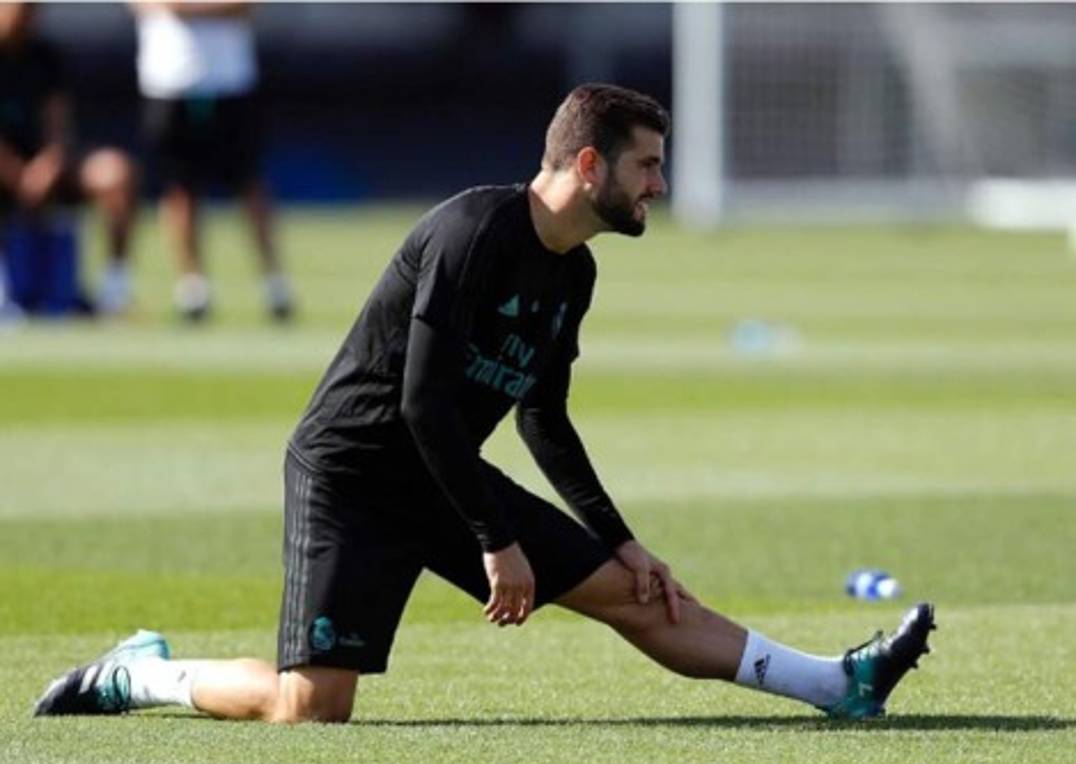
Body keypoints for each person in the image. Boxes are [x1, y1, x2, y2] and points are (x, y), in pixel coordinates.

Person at [34, 84, 935, 724]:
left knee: (638, 593)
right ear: (589, 163)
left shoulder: (573, 272)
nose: (659, 184)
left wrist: (622, 538)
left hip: (445, 477)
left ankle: (837, 685)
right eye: (647, 165)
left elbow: (544, 415)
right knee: (308, 710)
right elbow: (422, 402)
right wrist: (496, 541)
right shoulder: (472, 229)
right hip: (353, 474)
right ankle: (138, 675)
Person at [131, 1, 293, 321]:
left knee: (249, 183)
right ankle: (193, 289)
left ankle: (275, 283)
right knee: (180, 186)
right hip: (169, 78)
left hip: (230, 80)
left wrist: (189, 8)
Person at [0, 2, 137, 315]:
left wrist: (47, 165)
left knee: (116, 172)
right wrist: (14, 172)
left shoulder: (45, 56)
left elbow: (58, 126)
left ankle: (113, 291)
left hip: (44, 169)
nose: (25, 17)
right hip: (7, 169)